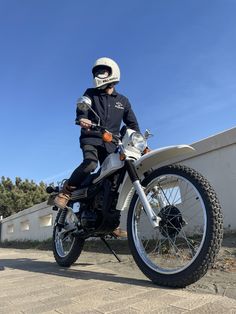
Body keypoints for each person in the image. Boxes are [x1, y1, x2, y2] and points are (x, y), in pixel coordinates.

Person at [54, 57, 140, 236]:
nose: (99, 75)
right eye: (97, 72)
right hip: (91, 137)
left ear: (112, 72)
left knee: (114, 180)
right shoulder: (90, 93)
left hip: (111, 143)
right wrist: (82, 118)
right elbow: (83, 108)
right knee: (91, 163)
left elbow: (132, 124)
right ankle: (66, 191)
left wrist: (139, 141)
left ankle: (109, 221)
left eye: (102, 71)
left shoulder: (122, 101)